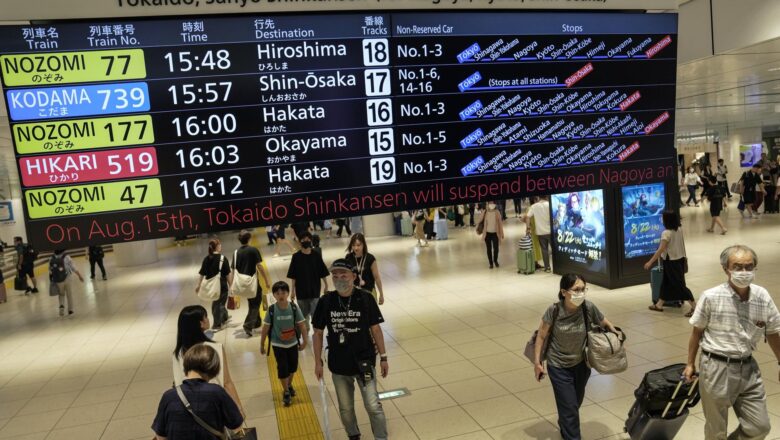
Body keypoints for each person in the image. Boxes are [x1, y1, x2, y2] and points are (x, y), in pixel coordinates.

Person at [684, 245, 780, 440]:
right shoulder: (711, 297)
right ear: (725, 269)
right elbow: (697, 332)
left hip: (748, 367)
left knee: (760, 427)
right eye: (737, 267)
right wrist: (690, 363)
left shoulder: (762, 296)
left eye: (749, 267)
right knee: (716, 429)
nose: (744, 272)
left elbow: (773, 333)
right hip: (715, 368)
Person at [532, 273, 617, 440]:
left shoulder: (588, 307)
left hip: (581, 365)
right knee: (570, 408)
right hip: (558, 366)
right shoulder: (554, 310)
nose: (581, 293)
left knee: (574, 403)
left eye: (584, 289)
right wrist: (537, 363)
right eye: (576, 290)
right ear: (564, 292)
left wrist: (615, 335)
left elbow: (604, 322)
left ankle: (565, 421)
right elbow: (541, 336)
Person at [312, 259, 388, 440]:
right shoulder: (326, 301)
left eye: (343, 274)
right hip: (339, 364)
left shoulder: (366, 298)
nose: (338, 278)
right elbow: (317, 333)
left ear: (354, 276)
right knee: (345, 409)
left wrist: (384, 357)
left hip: (365, 361)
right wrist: (317, 362)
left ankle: (381, 438)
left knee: (373, 405)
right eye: (335, 275)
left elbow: (375, 329)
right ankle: (353, 435)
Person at [154, 343, 243, 440]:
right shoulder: (216, 392)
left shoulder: (168, 396)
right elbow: (236, 426)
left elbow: (160, 435)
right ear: (213, 369)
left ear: (186, 366)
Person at [171, 305, 244, 416]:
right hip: (214, 405)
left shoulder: (177, 354)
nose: (208, 319)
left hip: (189, 409)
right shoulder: (214, 348)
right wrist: (239, 408)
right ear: (200, 323)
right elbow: (226, 382)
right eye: (205, 316)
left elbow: (177, 382)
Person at [260, 281, 307, 407]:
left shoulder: (293, 307)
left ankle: (289, 384)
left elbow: (302, 325)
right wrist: (261, 344)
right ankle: (286, 391)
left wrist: (305, 341)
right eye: (277, 293)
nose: (281, 295)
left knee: (293, 367)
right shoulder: (271, 310)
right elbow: (265, 328)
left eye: (283, 292)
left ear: (287, 293)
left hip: (292, 344)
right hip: (278, 345)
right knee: (282, 368)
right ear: (274, 295)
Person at [644, 211, 696, 317]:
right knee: (666, 283)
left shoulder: (666, 233)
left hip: (671, 262)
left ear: (667, 220)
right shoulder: (679, 229)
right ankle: (659, 305)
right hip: (680, 260)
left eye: (663, 218)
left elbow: (661, 249)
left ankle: (696, 307)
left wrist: (650, 262)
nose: (662, 220)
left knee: (680, 286)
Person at [286, 231, 330, 333]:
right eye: (303, 240)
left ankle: (316, 334)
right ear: (299, 241)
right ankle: (306, 335)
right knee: (303, 316)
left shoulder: (316, 255)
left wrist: (326, 285)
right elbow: (293, 275)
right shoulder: (296, 257)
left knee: (316, 315)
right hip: (301, 292)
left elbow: (322, 271)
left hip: (315, 291)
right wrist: (292, 291)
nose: (306, 241)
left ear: (311, 240)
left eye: (308, 239)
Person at [232, 230, 271, 337]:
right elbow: (259, 266)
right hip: (252, 282)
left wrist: (231, 285)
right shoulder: (253, 250)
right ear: (249, 239)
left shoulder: (236, 253)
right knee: (256, 302)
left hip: (242, 284)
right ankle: (248, 325)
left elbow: (233, 270)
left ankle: (257, 322)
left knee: (252, 302)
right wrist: (267, 280)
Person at [195, 238, 232, 331]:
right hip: (222, 287)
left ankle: (224, 317)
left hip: (211, 287)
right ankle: (217, 325)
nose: (221, 246)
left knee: (218, 304)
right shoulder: (223, 259)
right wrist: (231, 285)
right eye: (220, 245)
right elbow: (228, 274)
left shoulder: (206, 259)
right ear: (217, 247)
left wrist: (198, 285)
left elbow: (202, 273)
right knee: (218, 305)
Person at [344, 233, 385, 305]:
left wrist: (381, 294)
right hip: (353, 292)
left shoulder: (370, 258)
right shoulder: (348, 258)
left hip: (369, 291)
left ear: (363, 244)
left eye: (358, 245)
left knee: (370, 314)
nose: (356, 248)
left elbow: (377, 277)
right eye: (353, 245)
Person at [49, 249, 84, 316]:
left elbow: (50, 270)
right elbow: (73, 267)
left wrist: (52, 279)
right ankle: (70, 310)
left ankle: (61, 305)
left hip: (58, 279)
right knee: (69, 294)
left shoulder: (51, 258)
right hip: (67, 277)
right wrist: (79, 276)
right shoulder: (66, 257)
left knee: (61, 294)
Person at [526, 195, 552, 272]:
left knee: (544, 250)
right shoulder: (549, 204)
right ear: (546, 197)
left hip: (540, 232)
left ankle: (547, 268)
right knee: (554, 250)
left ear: (538, 198)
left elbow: (527, 217)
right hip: (550, 231)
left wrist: (528, 228)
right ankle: (558, 267)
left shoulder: (534, 206)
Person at [479, 201, 504, 269]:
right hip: (487, 233)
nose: (491, 205)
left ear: (495, 204)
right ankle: (491, 263)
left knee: (496, 248)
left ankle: (495, 260)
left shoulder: (497, 212)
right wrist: (484, 211)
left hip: (495, 233)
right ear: (488, 204)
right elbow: (479, 220)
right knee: (488, 249)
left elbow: (500, 224)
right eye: (490, 203)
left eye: (492, 203)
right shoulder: (485, 212)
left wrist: (502, 233)